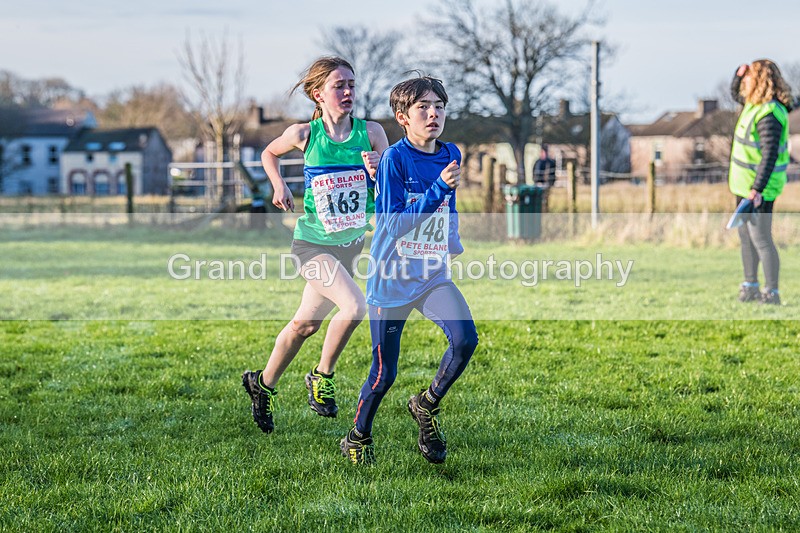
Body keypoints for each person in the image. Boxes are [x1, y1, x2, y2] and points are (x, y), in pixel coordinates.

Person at [242, 56, 389, 433]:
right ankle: (322, 376)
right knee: (355, 306)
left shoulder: (371, 133)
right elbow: (268, 153)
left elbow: (391, 190)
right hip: (311, 245)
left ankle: (263, 384)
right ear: (317, 93)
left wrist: (379, 170)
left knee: (305, 325)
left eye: (351, 85)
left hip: (350, 246)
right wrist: (279, 184)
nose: (347, 91)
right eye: (339, 85)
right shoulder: (304, 134)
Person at [340, 76, 479, 465]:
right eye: (423, 107)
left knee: (466, 340)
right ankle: (357, 436)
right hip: (391, 279)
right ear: (402, 117)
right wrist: (436, 188)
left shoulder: (451, 152)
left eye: (439, 106)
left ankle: (426, 404)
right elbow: (394, 223)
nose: (433, 113)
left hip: (432, 275)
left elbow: (445, 206)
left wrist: (451, 238)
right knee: (384, 375)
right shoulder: (393, 160)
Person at [729, 59, 793, 305]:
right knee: (746, 237)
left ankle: (771, 292)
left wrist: (757, 189)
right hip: (743, 186)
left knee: (761, 239)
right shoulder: (752, 105)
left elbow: (769, 154)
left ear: (759, 80)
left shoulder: (770, 114)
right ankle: (750, 285)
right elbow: (735, 93)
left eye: (748, 77)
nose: (744, 82)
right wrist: (738, 74)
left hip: (759, 189)